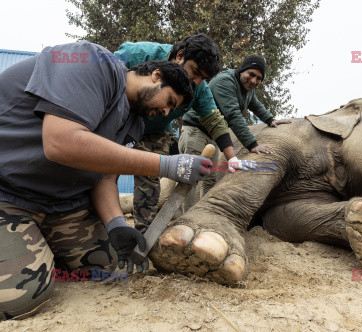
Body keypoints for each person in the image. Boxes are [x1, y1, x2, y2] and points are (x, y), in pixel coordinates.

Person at [0, 41, 211, 321]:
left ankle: (41, 249)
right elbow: (61, 142)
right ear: (156, 76)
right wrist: (166, 164)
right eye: (169, 102)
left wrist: (116, 224)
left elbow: (105, 179)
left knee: (113, 266)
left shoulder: (133, 124)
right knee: (23, 295)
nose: (164, 113)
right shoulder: (91, 62)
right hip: (9, 193)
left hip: (62, 205)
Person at [114, 34, 255, 229]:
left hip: (155, 132)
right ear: (179, 55)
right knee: (107, 167)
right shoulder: (140, 54)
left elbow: (215, 120)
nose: (195, 81)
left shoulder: (199, 89)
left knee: (149, 179)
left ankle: (143, 232)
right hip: (120, 120)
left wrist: (232, 158)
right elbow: (106, 76)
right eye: (194, 71)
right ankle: (106, 221)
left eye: (202, 78)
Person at [179, 55, 291, 209]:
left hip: (214, 135)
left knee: (210, 179)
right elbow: (233, 115)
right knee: (190, 176)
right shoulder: (226, 82)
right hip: (195, 130)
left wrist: (270, 120)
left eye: (258, 78)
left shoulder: (247, 90)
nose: (253, 81)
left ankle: (204, 213)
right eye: (251, 74)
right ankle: (187, 217)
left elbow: (255, 105)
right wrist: (252, 144)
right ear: (242, 71)